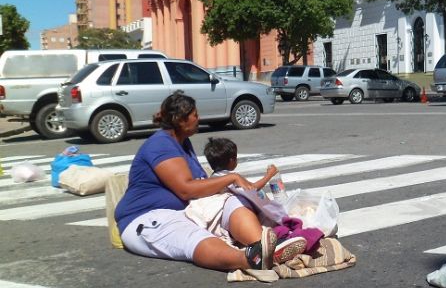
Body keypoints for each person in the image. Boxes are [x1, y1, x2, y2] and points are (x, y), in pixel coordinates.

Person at [115, 91, 288, 271]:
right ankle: (252, 260)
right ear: (180, 120)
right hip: (148, 217)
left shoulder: (183, 143)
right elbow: (186, 189)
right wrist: (232, 176)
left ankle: (263, 245)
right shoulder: (160, 144)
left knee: (232, 202)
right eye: (195, 115)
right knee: (192, 236)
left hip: (188, 211)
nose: (199, 118)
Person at [203, 137, 314, 255]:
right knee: (272, 222)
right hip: (237, 218)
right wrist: (269, 175)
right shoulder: (230, 177)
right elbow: (252, 188)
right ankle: (277, 243)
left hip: (226, 223)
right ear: (232, 161)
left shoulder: (215, 177)